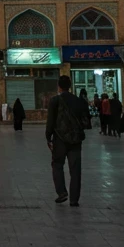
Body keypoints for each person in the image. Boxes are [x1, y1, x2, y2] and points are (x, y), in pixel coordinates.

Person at [46, 75, 86, 206]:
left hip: (60, 139)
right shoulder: (78, 101)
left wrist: (48, 137)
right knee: (75, 169)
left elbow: (50, 121)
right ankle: (74, 199)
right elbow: (84, 120)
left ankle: (62, 192)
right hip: (75, 140)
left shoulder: (55, 101)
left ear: (59, 86)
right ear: (70, 86)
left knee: (57, 165)